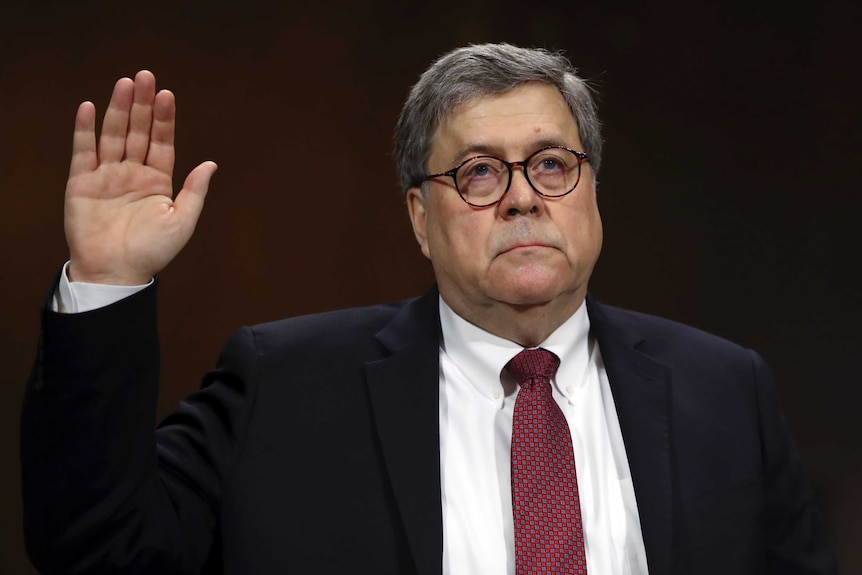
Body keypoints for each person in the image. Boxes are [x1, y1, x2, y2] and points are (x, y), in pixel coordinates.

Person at [21, 44, 837, 575]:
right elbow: (96, 552)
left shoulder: (726, 389)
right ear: (419, 216)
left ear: (593, 191)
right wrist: (105, 284)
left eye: (552, 164)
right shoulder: (281, 385)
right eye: (480, 173)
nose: (523, 199)